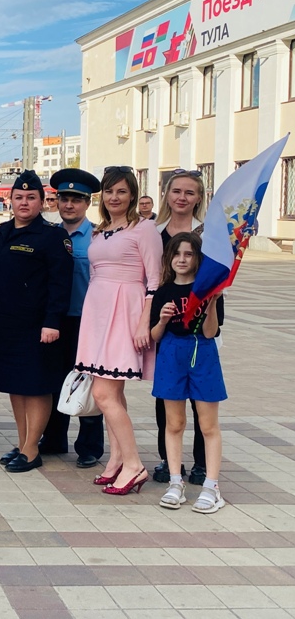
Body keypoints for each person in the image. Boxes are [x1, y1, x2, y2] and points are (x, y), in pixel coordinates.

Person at [75, 166, 163, 496]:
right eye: (109, 191)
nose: (114, 197)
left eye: (122, 191)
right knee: (113, 394)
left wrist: (144, 322)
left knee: (103, 395)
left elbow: (154, 281)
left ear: (133, 195)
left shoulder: (145, 229)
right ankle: (116, 461)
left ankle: (134, 464)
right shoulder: (101, 230)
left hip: (125, 310)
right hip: (97, 311)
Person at [0, 170, 73, 473]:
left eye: (30, 197)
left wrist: (52, 322)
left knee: (35, 386)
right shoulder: (1, 233)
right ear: (10, 200)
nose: (24, 202)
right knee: (16, 386)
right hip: (4, 325)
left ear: (42, 201)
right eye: (18, 197)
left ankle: (33, 449)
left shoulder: (52, 236)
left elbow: (61, 284)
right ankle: (23, 443)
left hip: (36, 326)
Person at [150, 232, 226, 513]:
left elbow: (210, 332)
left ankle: (212, 486)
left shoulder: (208, 289)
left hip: (202, 355)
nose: (182, 259)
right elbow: (155, 336)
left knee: (208, 425)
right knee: (174, 423)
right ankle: (175, 481)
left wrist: (211, 305)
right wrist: (163, 319)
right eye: (177, 254)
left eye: (189, 254)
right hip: (171, 354)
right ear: (169, 258)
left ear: (197, 258)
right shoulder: (164, 291)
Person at [40, 168, 106, 468]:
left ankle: (90, 446)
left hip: (87, 320)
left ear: (87, 203)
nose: (69, 205)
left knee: (88, 380)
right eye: (64, 198)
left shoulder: (99, 238)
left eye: (76, 200)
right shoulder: (47, 235)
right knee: (53, 378)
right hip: (54, 320)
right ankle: (54, 437)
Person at [153, 169, 209, 485]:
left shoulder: (209, 232)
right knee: (167, 397)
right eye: (176, 191)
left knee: (202, 398)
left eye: (189, 192)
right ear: (168, 195)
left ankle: (201, 463)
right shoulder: (154, 231)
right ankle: (168, 460)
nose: (182, 198)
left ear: (198, 197)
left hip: (201, 328)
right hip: (168, 327)